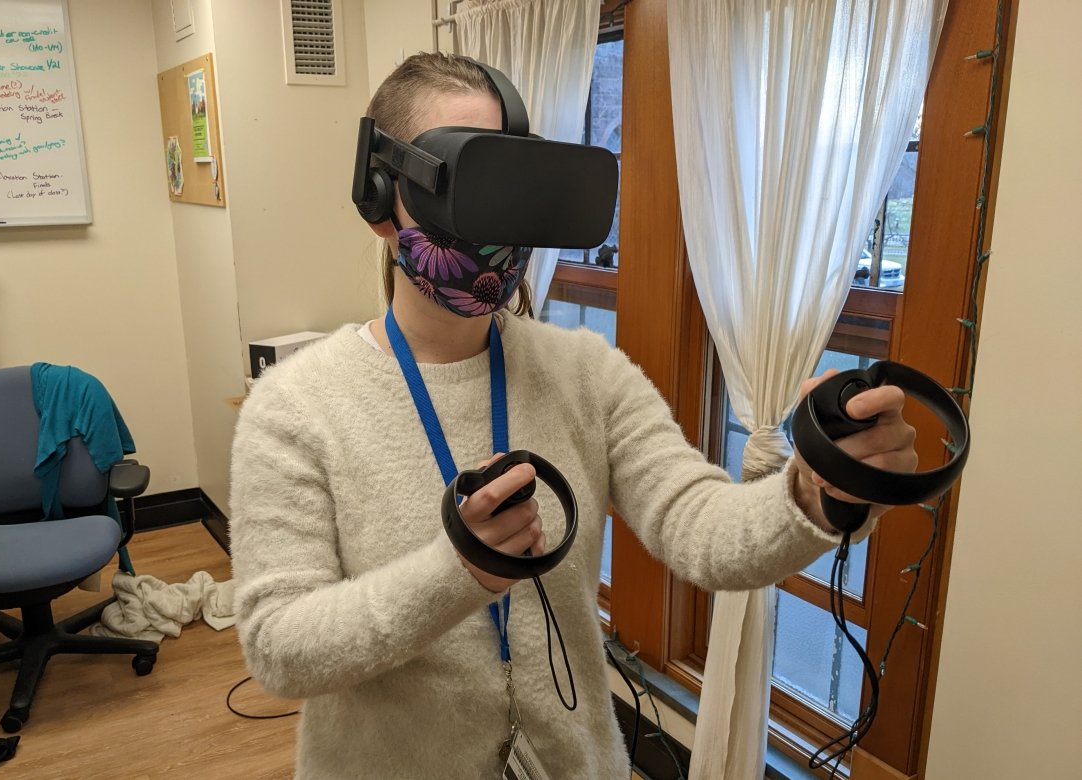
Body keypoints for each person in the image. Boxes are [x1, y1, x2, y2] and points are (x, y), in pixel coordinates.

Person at [229, 52, 917, 780]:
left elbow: (699, 525)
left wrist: (813, 494)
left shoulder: (586, 373)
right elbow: (281, 648)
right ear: (379, 197)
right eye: (465, 183)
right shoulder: (295, 407)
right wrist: (457, 572)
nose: (492, 223)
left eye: (512, 185)